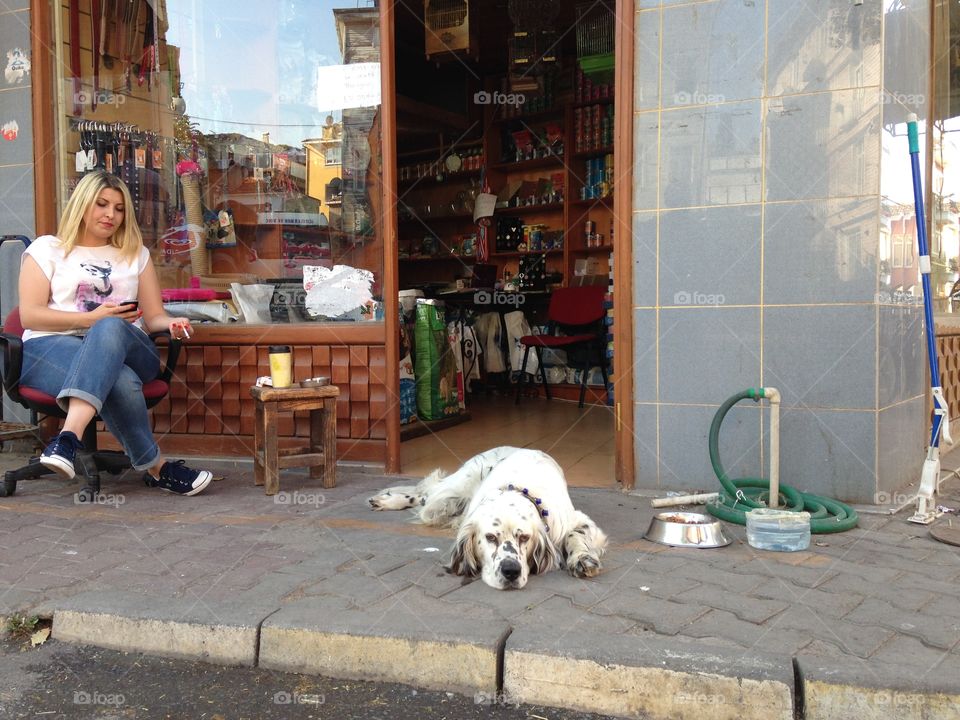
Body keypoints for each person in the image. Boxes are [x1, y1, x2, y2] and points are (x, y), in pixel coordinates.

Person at [18, 171, 213, 496]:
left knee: (110, 326)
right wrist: (88, 319)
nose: (111, 214)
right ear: (82, 204)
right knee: (118, 378)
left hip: (130, 348)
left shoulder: (135, 254)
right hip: (49, 349)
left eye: (120, 208)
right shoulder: (48, 249)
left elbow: (153, 318)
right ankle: (158, 469)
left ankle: (67, 438)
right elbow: (30, 314)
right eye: (102, 204)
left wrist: (172, 324)